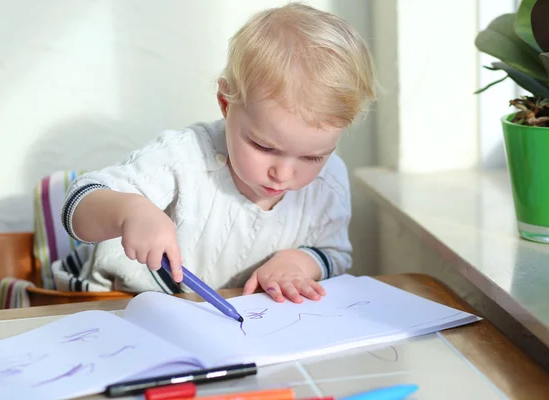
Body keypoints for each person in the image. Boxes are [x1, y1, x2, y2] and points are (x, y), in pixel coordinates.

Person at [60, 2, 376, 304]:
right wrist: (128, 211)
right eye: (264, 147)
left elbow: (335, 253)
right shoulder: (183, 157)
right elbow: (79, 204)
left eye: (312, 157)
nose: (282, 173)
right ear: (226, 103)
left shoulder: (330, 180)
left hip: (216, 319)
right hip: (108, 301)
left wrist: (300, 262)